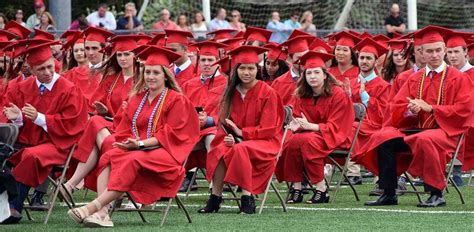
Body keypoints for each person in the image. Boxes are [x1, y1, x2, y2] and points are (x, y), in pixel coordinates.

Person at [67, 45, 200, 228]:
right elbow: (124, 128)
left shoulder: (177, 99)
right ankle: (103, 214)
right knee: (109, 156)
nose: (151, 77)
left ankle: (93, 207)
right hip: (138, 149)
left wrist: (139, 144)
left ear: (165, 75)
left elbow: (172, 134)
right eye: (148, 72)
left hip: (166, 153)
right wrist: (127, 143)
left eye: (156, 73)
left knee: (132, 160)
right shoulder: (137, 98)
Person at [357, 26, 472, 208]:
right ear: (422, 53)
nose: (434, 55)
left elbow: (464, 110)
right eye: (429, 51)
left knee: (425, 139)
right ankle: (388, 192)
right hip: (413, 129)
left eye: (437, 50)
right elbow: (396, 106)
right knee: (383, 137)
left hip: (446, 133)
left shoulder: (458, 78)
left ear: (444, 51)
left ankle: (436, 193)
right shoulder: (414, 78)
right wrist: (410, 110)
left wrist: (431, 108)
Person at [2, 41, 88, 224]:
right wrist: (18, 117)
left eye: (50, 67)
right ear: (31, 70)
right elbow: (20, 123)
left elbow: (73, 124)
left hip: (58, 145)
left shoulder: (69, 89)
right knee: (5, 152)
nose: (47, 72)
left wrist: (40, 117)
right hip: (27, 142)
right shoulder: (22, 88)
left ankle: (13, 208)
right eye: (41, 69)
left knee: (30, 156)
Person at [198, 45, 284, 214]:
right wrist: (231, 135)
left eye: (251, 68)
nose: (247, 72)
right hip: (236, 139)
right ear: (236, 70)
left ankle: (247, 196)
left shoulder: (268, 92)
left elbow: (270, 128)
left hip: (265, 141)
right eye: (242, 68)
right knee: (219, 149)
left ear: (257, 69)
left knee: (241, 149)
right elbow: (225, 123)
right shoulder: (230, 93)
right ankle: (215, 197)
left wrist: (241, 134)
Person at [60, 35, 139, 202]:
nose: (123, 58)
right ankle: (79, 185)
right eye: (119, 55)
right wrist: (103, 111)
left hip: (133, 130)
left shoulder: (143, 80)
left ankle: (72, 183)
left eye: (126, 54)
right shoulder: (111, 78)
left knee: (101, 137)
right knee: (95, 121)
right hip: (111, 125)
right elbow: (96, 104)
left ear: (135, 56)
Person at [275, 51, 354, 204]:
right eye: (308, 73)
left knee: (308, 141)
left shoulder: (337, 94)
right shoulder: (302, 94)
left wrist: (311, 126)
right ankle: (296, 188)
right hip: (308, 135)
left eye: (316, 72)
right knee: (290, 142)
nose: (312, 76)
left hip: (334, 135)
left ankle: (321, 188)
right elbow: (298, 118)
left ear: (325, 75)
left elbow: (338, 125)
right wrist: (295, 125)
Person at [179, 41, 228, 192]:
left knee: (213, 139)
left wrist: (209, 120)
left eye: (210, 60)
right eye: (203, 60)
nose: (207, 64)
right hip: (191, 129)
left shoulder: (226, 83)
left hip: (216, 128)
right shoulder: (189, 84)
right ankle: (172, 180)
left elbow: (229, 112)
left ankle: (215, 185)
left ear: (218, 62)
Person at [342, 38, 390, 185]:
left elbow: (384, 113)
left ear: (375, 62)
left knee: (350, 128)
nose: (364, 61)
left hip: (375, 125)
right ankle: (352, 172)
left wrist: (365, 97)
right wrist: (347, 96)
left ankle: (356, 172)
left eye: (368, 58)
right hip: (356, 124)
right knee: (346, 127)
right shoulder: (351, 83)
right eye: (362, 57)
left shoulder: (383, 86)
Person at [445, 30, 474, 186]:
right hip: (447, 115)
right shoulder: (444, 74)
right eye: (449, 52)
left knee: (461, 126)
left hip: (469, 117)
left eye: (456, 51)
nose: (453, 56)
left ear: (465, 53)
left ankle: (456, 171)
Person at [63, 27, 113, 104]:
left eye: (94, 48)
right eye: (87, 48)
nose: (90, 53)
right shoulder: (74, 73)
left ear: (104, 49)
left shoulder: (112, 72)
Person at [271, 31, 313, 105]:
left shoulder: (315, 80)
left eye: (306, 56)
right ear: (290, 59)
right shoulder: (278, 83)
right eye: (299, 57)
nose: (303, 60)